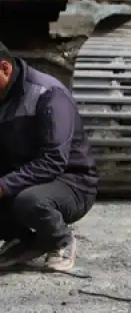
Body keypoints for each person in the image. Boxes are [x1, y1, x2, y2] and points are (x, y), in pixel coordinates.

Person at [0, 41, 98, 272]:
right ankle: (21, 240)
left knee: (30, 201)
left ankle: (60, 240)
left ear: (5, 69)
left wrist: (4, 185)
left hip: (71, 181)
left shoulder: (47, 94)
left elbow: (53, 160)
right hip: (21, 176)